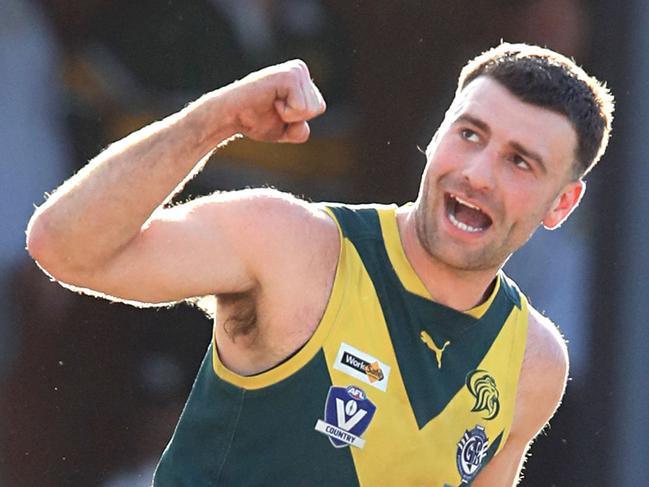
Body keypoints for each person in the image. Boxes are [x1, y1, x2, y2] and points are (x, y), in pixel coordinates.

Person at [26, 42, 614, 486]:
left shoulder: (533, 362)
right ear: (435, 137)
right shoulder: (291, 241)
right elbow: (63, 247)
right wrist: (215, 121)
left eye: (519, 162)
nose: (478, 172)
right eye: (469, 134)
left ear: (561, 203)